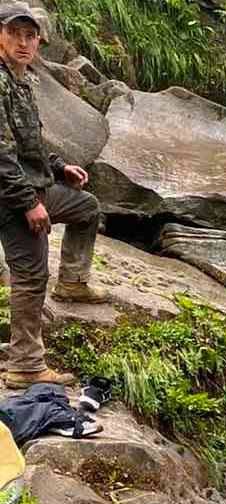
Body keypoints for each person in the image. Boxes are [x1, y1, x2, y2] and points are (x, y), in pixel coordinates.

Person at [0, 2, 109, 390]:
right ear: (0, 36)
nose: (24, 43)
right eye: (15, 34)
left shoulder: (23, 80)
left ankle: (74, 281)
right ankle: (25, 364)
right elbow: (2, 157)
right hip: (9, 198)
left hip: (33, 184)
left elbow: (30, 142)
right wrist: (29, 203)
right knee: (30, 276)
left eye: (31, 36)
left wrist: (60, 166)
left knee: (87, 208)